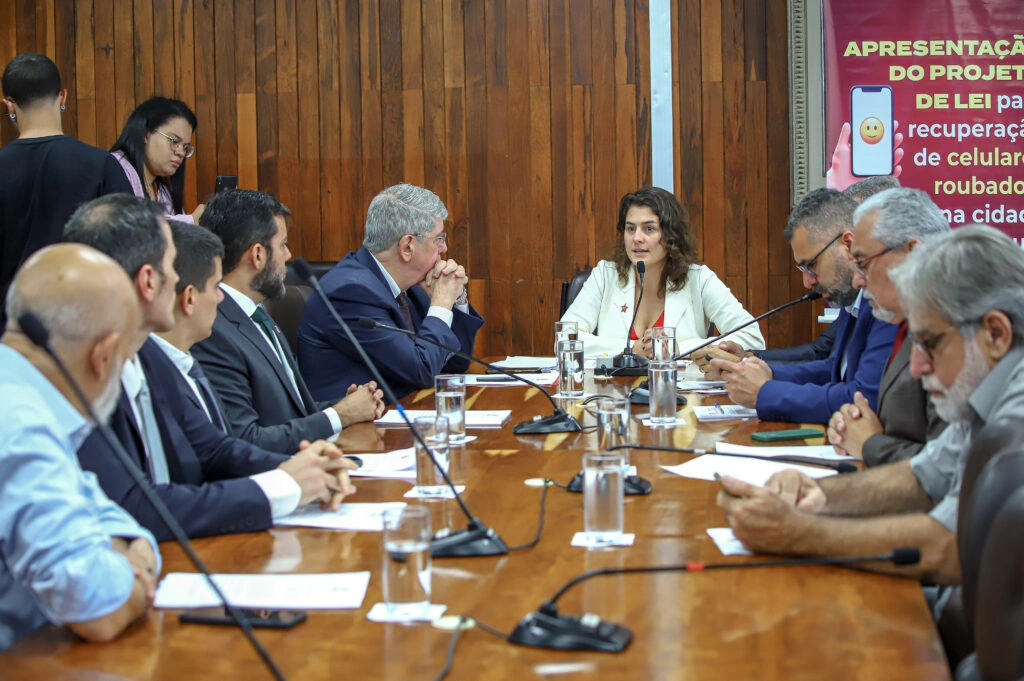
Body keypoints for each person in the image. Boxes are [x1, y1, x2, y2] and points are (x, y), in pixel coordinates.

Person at [717, 224, 1024, 586]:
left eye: (930, 344)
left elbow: (949, 547)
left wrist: (799, 532)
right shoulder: (983, 394)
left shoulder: (1015, 416)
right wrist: (817, 495)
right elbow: (923, 478)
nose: (916, 366)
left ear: (995, 334)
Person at [65, 195, 357, 541]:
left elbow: (213, 447)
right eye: (173, 266)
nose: (181, 278)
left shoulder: (150, 354)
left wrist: (301, 468)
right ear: (148, 281)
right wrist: (284, 485)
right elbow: (137, 506)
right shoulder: (80, 372)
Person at [1, 243, 160, 651]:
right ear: (103, 357)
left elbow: (111, 519)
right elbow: (98, 608)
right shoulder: (20, 423)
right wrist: (138, 570)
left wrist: (129, 554)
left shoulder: (23, 396)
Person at [192, 189, 383, 452]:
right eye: (282, 245)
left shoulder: (258, 316)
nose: (289, 254)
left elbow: (294, 414)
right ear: (257, 255)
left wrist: (346, 405)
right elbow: (246, 440)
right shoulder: (215, 331)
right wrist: (340, 415)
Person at [710, 188, 897, 424]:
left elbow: (862, 398)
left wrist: (764, 392)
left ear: (847, 245)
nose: (807, 282)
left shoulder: (884, 301)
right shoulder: (853, 299)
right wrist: (769, 372)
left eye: (811, 265)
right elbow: (834, 369)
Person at [298, 183, 484, 402]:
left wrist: (457, 298)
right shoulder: (351, 292)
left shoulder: (407, 286)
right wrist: (441, 302)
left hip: (400, 418)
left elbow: (455, 361)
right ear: (407, 247)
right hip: (355, 431)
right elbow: (422, 370)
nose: (444, 249)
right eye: (439, 239)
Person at [696, 176, 901, 370]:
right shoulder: (856, 299)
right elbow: (822, 355)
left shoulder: (890, 301)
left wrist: (759, 379)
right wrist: (747, 360)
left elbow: (858, 391)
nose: (853, 247)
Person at [0, 53, 132, 328]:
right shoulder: (100, 165)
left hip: (8, 333)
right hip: (83, 328)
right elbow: (131, 248)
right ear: (63, 97)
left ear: (9, 105)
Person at [560, 186, 765, 359]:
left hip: (679, 397)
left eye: (649, 229)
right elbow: (564, 339)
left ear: (670, 235)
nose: (637, 238)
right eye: (631, 229)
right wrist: (630, 350)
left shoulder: (699, 280)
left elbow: (752, 339)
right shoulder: (605, 275)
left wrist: (677, 348)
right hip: (613, 397)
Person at [827, 188, 949, 465]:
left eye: (863, 264)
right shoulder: (909, 322)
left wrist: (871, 444)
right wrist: (851, 425)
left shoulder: (962, 331)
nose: (857, 281)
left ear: (914, 252)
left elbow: (954, 468)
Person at [150, 222, 230, 431]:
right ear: (189, 298)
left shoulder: (188, 362)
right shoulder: (155, 378)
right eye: (216, 286)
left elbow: (221, 448)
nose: (221, 297)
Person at [110, 96, 204, 223]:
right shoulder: (115, 168)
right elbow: (130, 227)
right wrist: (191, 220)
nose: (181, 152)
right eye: (174, 141)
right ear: (145, 134)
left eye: (185, 147)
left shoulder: (161, 188)